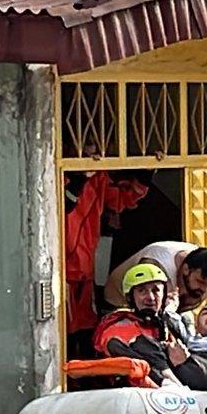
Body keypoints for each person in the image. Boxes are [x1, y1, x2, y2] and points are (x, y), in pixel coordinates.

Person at [64, 148, 150, 359]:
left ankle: (86, 380)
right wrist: (79, 179)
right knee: (62, 331)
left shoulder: (99, 178)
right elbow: (65, 204)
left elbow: (121, 200)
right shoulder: (59, 173)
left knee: (86, 327)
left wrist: (146, 173)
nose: (94, 155)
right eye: (88, 149)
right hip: (60, 269)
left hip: (85, 269)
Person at [93, 263, 207, 390]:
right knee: (143, 344)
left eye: (156, 290)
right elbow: (118, 350)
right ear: (130, 297)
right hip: (141, 388)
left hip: (183, 383)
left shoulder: (169, 324)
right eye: (142, 291)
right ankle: (171, 384)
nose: (150, 297)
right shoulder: (119, 326)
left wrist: (185, 360)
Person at [103, 241, 207, 321]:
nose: (203, 289)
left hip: (171, 311)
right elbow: (150, 312)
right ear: (185, 269)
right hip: (118, 303)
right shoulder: (156, 264)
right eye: (199, 281)